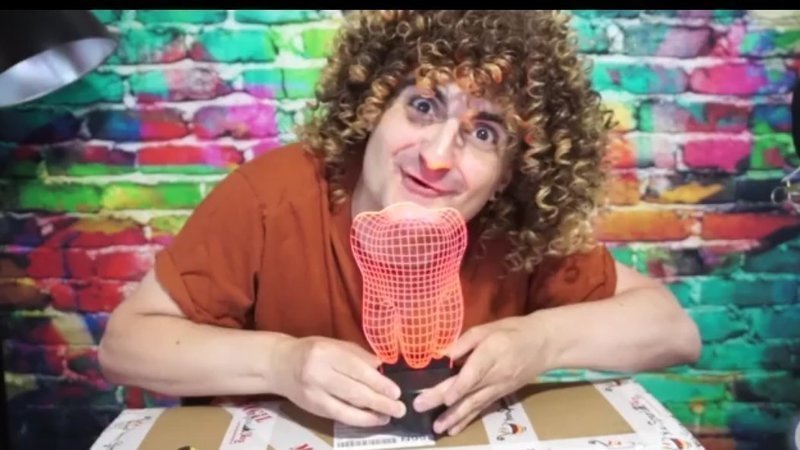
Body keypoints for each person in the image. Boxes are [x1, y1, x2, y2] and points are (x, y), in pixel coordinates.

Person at [98, 10, 701, 437]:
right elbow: (125, 347)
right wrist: (281, 363)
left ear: (511, 171)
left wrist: (540, 342)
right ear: (374, 106)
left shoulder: (514, 233)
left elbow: (674, 332)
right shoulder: (271, 196)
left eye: (483, 133)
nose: (437, 157)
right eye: (423, 106)